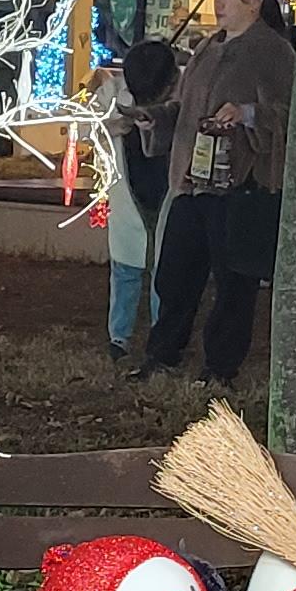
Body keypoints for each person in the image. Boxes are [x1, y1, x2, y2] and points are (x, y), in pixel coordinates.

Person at [141, 0, 293, 388]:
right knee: (175, 274)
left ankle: (221, 367)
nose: (219, 3)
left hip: (239, 185)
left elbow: (289, 114)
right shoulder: (208, 48)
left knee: (233, 283)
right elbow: (186, 107)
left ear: (255, 1)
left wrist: (248, 114)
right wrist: (155, 119)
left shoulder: (273, 52)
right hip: (193, 182)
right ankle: (162, 355)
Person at [94, 36, 178, 363]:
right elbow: (89, 127)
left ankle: (160, 334)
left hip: (165, 187)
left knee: (164, 271)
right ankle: (119, 337)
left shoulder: (180, 96)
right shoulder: (114, 93)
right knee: (126, 268)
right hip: (130, 192)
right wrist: (117, 124)